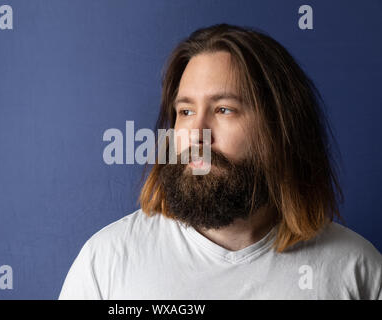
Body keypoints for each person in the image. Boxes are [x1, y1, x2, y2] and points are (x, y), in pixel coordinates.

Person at [59, 24, 382, 299]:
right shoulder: (107, 261)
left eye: (224, 109)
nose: (196, 133)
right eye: (185, 112)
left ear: (281, 129)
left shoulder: (356, 270)